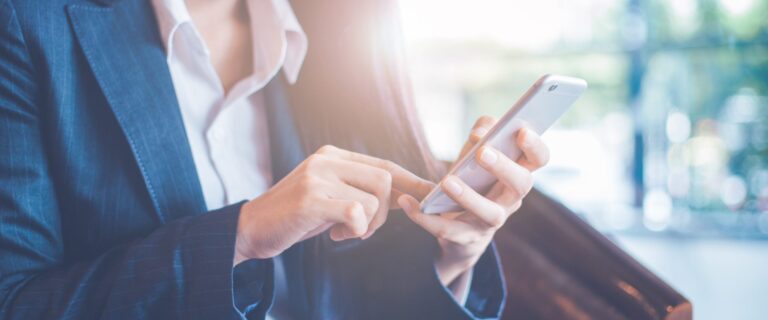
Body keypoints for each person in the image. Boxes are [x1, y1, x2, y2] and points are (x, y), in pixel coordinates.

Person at [0, 0, 550, 319]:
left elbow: (360, 299)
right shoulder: (28, 25)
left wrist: (453, 260)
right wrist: (240, 236)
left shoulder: (345, 28)